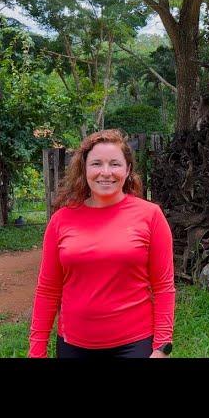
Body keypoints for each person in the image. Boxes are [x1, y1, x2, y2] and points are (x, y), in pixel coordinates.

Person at [28, 129, 175, 358]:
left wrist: (162, 347)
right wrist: (36, 350)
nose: (105, 172)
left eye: (115, 164)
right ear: (84, 170)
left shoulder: (150, 216)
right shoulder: (61, 220)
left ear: (127, 170)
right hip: (73, 345)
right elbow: (48, 290)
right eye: (96, 164)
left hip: (134, 344)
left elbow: (164, 287)